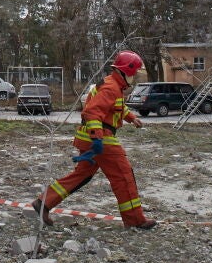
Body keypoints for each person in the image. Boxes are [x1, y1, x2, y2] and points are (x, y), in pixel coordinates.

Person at [31, 50, 156, 229]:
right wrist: (97, 138)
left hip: (89, 137)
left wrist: (131, 118)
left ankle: (43, 203)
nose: (134, 77)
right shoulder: (111, 88)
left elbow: (115, 107)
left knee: (81, 176)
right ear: (125, 71)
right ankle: (136, 220)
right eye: (134, 73)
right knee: (124, 176)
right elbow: (92, 112)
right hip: (101, 138)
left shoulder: (112, 84)